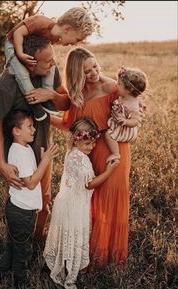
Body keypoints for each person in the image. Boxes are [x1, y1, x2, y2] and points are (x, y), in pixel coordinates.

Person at [50, 47, 145, 267]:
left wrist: (138, 110)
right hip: (89, 153)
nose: (94, 72)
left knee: (111, 198)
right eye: (87, 70)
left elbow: (133, 103)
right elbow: (69, 125)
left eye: (95, 66)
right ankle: (90, 254)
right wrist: (45, 118)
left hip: (116, 153)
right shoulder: (77, 94)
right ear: (77, 73)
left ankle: (109, 256)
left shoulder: (112, 87)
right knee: (91, 202)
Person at [0, 34, 70, 276]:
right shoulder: (4, 86)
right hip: (19, 160)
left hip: (43, 150)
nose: (53, 64)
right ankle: (17, 250)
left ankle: (31, 247)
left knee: (43, 203)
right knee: (21, 206)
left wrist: (51, 96)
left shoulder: (50, 73)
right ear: (30, 61)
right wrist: (1, 164)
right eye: (47, 61)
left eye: (53, 59)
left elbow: (65, 103)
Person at [43, 117, 118, 289]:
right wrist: (109, 171)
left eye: (93, 144)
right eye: (88, 144)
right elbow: (90, 183)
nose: (91, 148)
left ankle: (64, 264)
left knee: (67, 236)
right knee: (73, 237)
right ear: (76, 139)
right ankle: (69, 273)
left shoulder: (74, 153)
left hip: (68, 202)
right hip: (73, 207)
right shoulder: (79, 159)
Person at [0, 110, 58, 288]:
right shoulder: (21, 152)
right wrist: (45, 160)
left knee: (13, 243)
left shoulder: (23, 148)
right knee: (23, 249)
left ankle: (2, 273)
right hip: (22, 211)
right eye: (29, 127)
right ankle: (20, 280)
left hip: (18, 207)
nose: (33, 130)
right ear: (16, 131)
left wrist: (40, 156)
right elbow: (30, 183)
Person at [5, 7, 93, 121]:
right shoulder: (40, 22)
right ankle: (35, 106)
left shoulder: (54, 37)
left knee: (52, 67)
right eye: (77, 39)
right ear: (67, 29)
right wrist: (20, 53)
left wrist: (52, 94)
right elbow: (18, 33)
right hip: (13, 43)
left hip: (28, 46)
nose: (75, 44)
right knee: (22, 74)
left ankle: (47, 98)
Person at [105, 66, 147, 163]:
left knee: (108, 135)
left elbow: (135, 121)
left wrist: (126, 121)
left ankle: (115, 153)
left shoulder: (132, 105)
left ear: (128, 90)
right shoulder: (125, 96)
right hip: (119, 123)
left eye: (119, 84)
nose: (116, 85)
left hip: (124, 129)